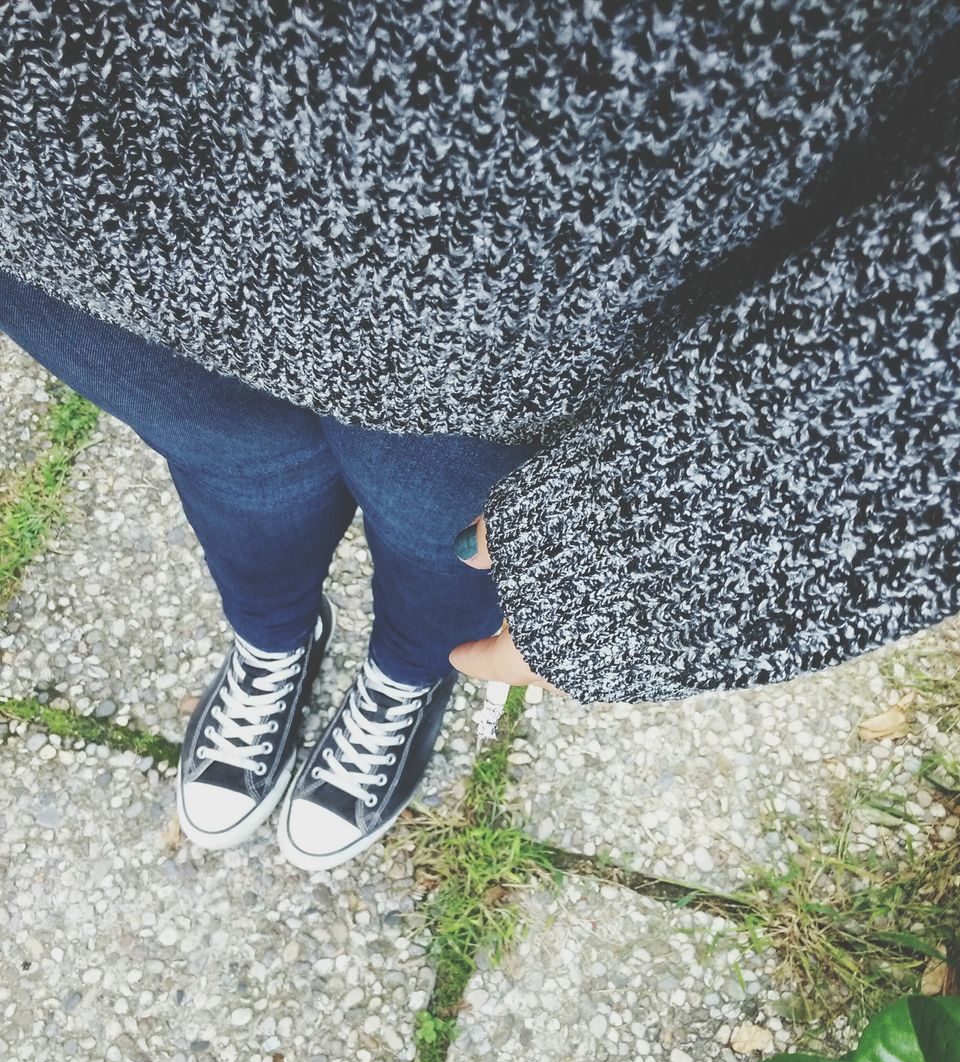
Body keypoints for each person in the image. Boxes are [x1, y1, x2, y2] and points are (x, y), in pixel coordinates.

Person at [0, 2, 957, 871]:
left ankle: (403, 676)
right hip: (83, 215)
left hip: (524, 303)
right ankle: (272, 643)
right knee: (229, 466)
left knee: (446, 531)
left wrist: (683, 525)